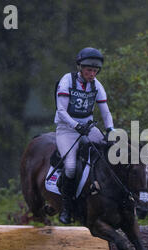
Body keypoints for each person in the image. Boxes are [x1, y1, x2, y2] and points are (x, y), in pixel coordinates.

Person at [54, 47, 114, 224]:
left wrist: (110, 130)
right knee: (71, 167)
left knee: (108, 154)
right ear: (80, 67)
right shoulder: (67, 81)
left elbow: (106, 112)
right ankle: (66, 207)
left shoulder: (97, 84)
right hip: (67, 129)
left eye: (95, 71)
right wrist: (76, 125)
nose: (92, 74)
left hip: (88, 127)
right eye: (89, 70)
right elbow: (61, 111)